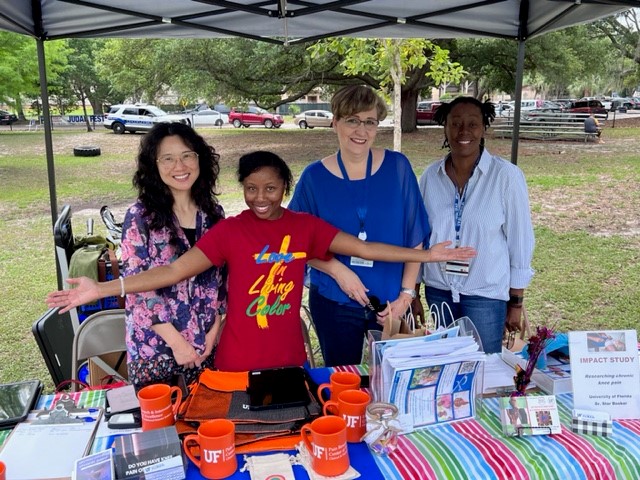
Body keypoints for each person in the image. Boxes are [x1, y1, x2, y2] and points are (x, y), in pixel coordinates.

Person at [47, 151, 475, 373]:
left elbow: (366, 249)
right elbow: (173, 271)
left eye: (270, 188)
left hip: (288, 356)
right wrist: (102, 288)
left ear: (285, 187)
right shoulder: (230, 232)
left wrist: (427, 255)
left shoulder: (305, 227)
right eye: (251, 188)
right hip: (236, 357)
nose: (260, 198)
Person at [288, 85, 430, 367]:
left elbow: (415, 235)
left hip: (390, 303)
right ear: (335, 122)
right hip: (334, 300)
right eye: (352, 120)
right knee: (343, 379)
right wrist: (336, 270)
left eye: (369, 122)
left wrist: (406, 295)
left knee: (391, 379)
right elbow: (294, 239)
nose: (361, 131)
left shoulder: (398, 168)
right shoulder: (314, 178)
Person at [412, 97, 535, 354]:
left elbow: (520, 240)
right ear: (445, 128)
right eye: (455, 123)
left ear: (483, 129)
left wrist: (516, 302)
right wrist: (413, 291)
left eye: (472, 124)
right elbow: (418, 237)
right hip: (439, 290)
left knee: (484, 366)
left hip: (485, 294)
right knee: (448, 364)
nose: (463, 131)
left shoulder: (506, 177)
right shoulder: (430, 177)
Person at [118, 122, 226, 389]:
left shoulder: (213, 215)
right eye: (168, 159)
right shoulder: (140, 217)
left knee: (207, 413)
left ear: (200, 159)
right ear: (153, 165)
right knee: (162, 416)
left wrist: (214, 332)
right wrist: (178, 344)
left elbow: (222, 282)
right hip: (156, 350)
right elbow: (138, 288)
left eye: (187, 155)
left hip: (206, 347)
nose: (180, 166)